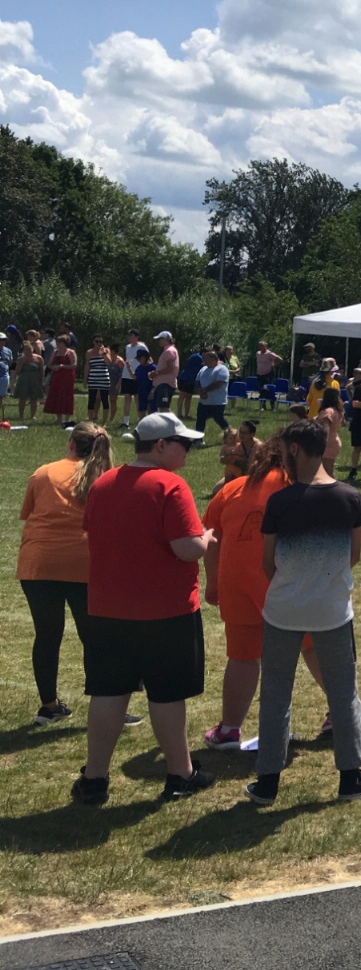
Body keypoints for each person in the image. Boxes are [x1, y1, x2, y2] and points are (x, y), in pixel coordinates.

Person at [74, 411, 216, 806]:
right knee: (167, 694)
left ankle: (94, 778)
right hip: (165, 612)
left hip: (108, 609)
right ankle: (180, 774)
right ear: (161, 445)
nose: (188, 450)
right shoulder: (170, 485)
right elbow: (186, 549)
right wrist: (206, 539)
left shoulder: (103, 483)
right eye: (183, 444)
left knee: (108, 691)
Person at [249, 419, 361, 804]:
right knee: (343, 692)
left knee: (275, 693)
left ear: (295, 450)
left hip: (282, 611)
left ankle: (268, 783)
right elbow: (353, 556)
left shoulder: (279, 502)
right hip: (332, 612)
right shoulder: (351, 497)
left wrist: (294, 586)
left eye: (283, 453)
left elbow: (268, 562)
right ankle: (351, 778)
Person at [199, 432, 325, 751]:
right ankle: (343, 712)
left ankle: (229, 729)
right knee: (312, 647)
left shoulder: (233, 488)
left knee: (242, 656)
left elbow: (211, 540)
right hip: (285, 582)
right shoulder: (298, 486)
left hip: (237, 583)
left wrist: (213, 583)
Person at [18, 423, 114, 725]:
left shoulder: (44, 472)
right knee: (95, 637)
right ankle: (107, 705)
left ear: (71, 443)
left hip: (38, 563)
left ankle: (49, 706)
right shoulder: (106, 477)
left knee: (47, 635)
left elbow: (28, 512)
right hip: (84, 563)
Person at [194, 349, 230, 442]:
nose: (204, 361)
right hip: (204, 401)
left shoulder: (222, 369)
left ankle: (231, 436)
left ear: (213, 359)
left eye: (206, 359)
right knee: (200, 420)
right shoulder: (203, 369)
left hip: (217, 402)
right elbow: (197, 381)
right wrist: (199, 391)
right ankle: (198, 439)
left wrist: (205, 390)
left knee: (219, 419)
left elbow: (218, 383)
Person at [45, 329, 78, 426]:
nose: (58, 344)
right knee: (57, 395)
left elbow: (74, 365)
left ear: (64, 343)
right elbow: (49, 364)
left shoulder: (70, 352)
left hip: (67, 377)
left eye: (60, 342)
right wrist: (53, 367)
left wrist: (63, 366)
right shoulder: (55, 352)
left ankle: (67, 418)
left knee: (66, 396)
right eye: (57, 342)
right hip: (56, 377)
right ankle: (58, 418)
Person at [85, 336, 116, 426]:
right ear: (93, 342)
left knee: (105, 400)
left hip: (104, 379)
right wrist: (85, 379)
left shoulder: (106, 351)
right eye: (97, 341)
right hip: (93, 379)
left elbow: (109, 363)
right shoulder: (89, 352)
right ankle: (90, 421)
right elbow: (87, 366)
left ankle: (104, 422)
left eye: (101, 341)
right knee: (91, 400)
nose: (99, 343)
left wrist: (104, 354)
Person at [14, 332, 44, 421]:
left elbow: (42, 370)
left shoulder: (39, 358)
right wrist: (22, 362)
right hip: (24, 379)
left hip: (35, 379)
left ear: (32, 348)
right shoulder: (21, 359)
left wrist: (42, 380)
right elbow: (17, 371)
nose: (28, 351)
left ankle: (32, 416)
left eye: (29, 349)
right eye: (26, 349)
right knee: (22, 398)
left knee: (34, 398)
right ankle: (21, 415)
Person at [150, 331, 179, 414]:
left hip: (166, 384)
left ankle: (171, 421)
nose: (159, 341)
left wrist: (156, 373)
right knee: (162, 407)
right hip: (164, 383)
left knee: (164, 407)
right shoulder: (169, 350)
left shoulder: (169, 351)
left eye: (160, 339)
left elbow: (170, 368)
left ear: (166, 339)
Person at [120, 329, 143, 427]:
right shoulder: (127, 347)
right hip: (126, 375)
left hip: (136, 374)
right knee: (127, 398)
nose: (129, 337)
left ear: (136, 336)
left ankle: (140, 420)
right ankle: (126, 422)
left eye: (131, 335)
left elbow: (147, 358)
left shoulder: (142, 346)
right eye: (129, 335)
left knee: (137, 398)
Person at [176, 345, 204, 421]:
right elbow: (205, 364)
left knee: (189, 397)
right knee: (182, 396)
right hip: (185, 378)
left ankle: (187, 414)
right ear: (203, 353)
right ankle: (179, 414)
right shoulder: (198, 357)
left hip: (192, 380)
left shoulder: (199, 357)